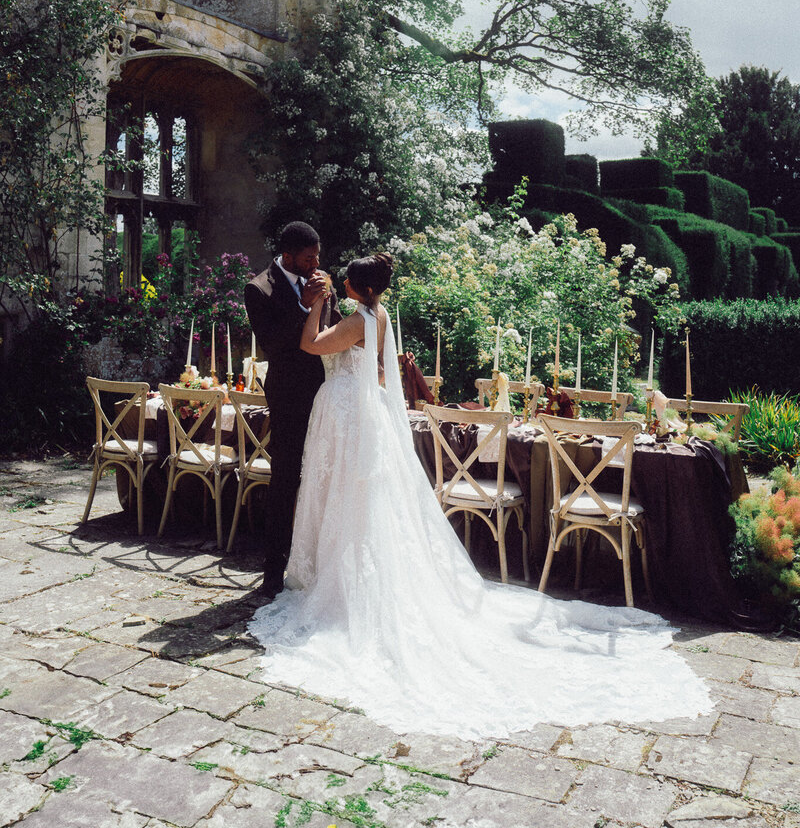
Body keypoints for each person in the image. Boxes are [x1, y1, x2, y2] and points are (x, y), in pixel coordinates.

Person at [248, 251, 712, 740]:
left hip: (348, 417)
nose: (337, 279)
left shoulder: (356, 319)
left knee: (348, 500)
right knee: (358, 503)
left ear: (357, 288)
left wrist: (316, 304)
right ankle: (347, 572)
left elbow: (310, 345)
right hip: (359, 418)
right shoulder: (378, 314)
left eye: (345, 279)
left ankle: (348, 589)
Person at [244, 221, 340, 598]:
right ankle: (272, 569)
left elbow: (328, 333)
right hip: (288, 395)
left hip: (328, 393)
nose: (316, 263)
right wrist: (302, 305)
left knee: (327, 477)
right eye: (309, 257)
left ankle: (319, 566)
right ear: (287, 256)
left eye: (318, 256)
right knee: (286, 480)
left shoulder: (322, 281)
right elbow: (272, 344)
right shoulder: (259, 288)